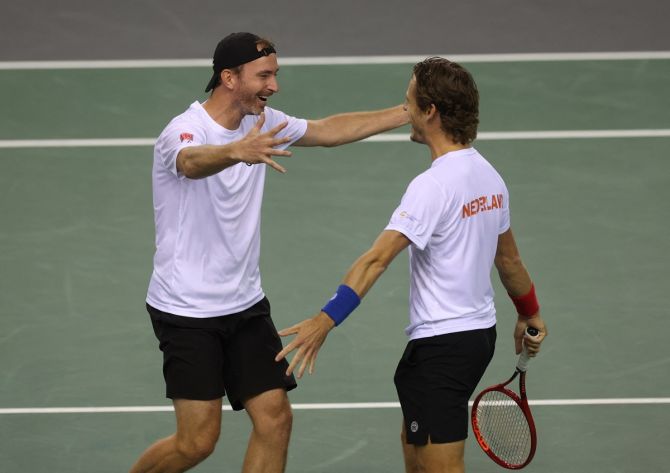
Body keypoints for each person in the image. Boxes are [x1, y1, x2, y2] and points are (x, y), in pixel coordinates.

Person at [130, 32, 408, 473]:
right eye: (264, 75)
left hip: (244, 305)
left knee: (275, 419)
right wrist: (235, 151)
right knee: (197, 442)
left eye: (274, 75)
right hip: (187, 310)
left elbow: (327, 131)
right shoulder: (183, 131)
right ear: (228, 78)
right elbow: (190, 161)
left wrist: (407, 112)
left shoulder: (262, 122)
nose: (274, 85)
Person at [275, 57, 548, 473]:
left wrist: (325, 320)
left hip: (443, 346)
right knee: (415, 448)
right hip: (476, 337)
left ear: (430, 112)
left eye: (409, 104)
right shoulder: (489, 176)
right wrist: (530, 312)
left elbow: (375, 260)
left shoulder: (432, 187)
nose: (405, 114)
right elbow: (508, 259)